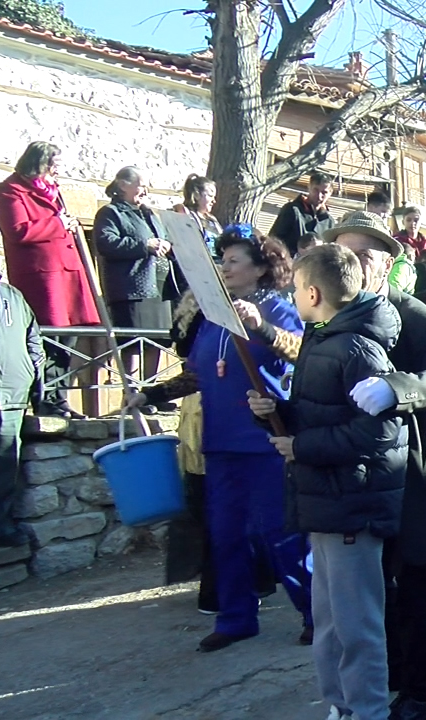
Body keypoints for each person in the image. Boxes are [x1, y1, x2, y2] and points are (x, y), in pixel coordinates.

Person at [128, 225, 313, 651]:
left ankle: (314, 612)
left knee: (280, 534)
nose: (224, 267)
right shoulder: (213, 316)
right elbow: (196, 373)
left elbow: (301, 352)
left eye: (233, 260)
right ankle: (236, 618)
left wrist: (261, 326)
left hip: (266, 440)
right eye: (222, 260)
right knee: (226, 535)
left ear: (261, 267)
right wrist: (151, 393)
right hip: (221, 443)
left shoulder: (280, 308)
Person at [319, 211, 426, 720]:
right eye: (346, 256)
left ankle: (421, 693)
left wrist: (399, 388)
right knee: (370, 597)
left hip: (420, 479)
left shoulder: (421, 319)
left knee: (417, 590)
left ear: (386, 265)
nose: (355, 266)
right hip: (361, 482)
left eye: (366, 256)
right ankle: (386, 682)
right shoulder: (331, 324)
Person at [248, 243, 405, 720]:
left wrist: (303, 448)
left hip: (351, 501)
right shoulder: (322, 339)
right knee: (331, 622)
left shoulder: (357, 347)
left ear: (312, 292)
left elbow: (378, 429)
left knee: (357, 624)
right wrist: (276, 414)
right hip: (325, 501)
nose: (292, 296)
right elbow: (321, 414)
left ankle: (368, 710)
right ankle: (340, 703)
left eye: (295, 288)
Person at [0, 141, 99, 417]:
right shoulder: (9, 191)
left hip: (68, 276)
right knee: (47, 339)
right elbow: (18, 231)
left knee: (69, 339)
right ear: (42, 164)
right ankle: (45, 400)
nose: (60, 171)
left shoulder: (54, 192)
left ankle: (60, 398)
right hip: (42, 279)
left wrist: (68, 224)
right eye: (57, 165)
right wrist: (58, 224)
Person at [0, 231, 44, 548]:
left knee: (1, 469)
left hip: (8, 397)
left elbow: (33, 339)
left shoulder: (12, 297)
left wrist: (34, 378)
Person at [94, 166, 177, 398]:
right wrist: (144, 246)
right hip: (132, 289)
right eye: (142, 185)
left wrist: (167, 245)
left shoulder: (149, 213)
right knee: (132, 342)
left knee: (156, 340)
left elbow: (164, 239)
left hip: (158, 287)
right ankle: (131, 396)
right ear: (122, 185)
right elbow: (106, 243)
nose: (146, 191)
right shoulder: (111, 213)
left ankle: (150, 394)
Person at [270, 171, 334, 257]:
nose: (319, 196)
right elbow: (274, 240)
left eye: (324, 192)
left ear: (330, 193)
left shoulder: (329, 221)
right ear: (309, 187)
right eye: (316, 190)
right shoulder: (292, 210)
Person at [178, 174, 223, 260]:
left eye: (214, 197)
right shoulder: (186, 216)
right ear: (196, 195)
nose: (214, 201)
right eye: (210, 196)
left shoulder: (212, 220)